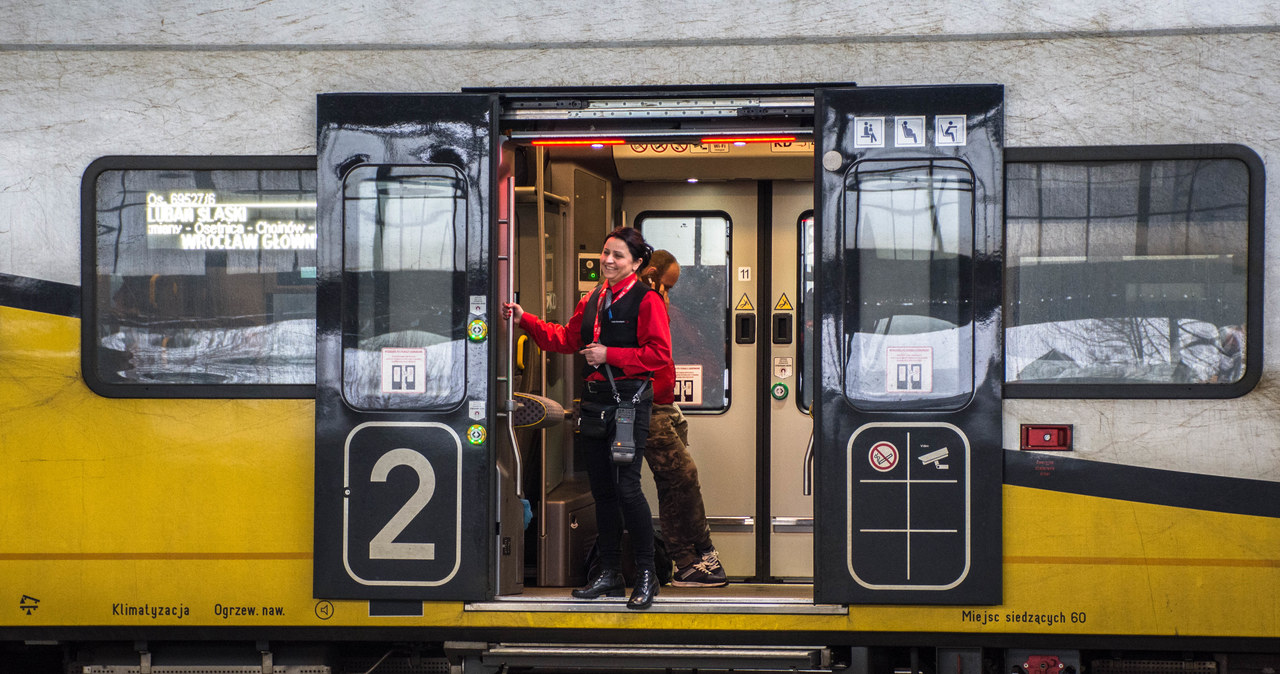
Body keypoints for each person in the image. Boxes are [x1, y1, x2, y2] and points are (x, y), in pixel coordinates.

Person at [503, 226, 670, 610]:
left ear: (637, 263)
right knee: (603, 492)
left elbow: (659, 355)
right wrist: (524, 318)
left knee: (628, 488)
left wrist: (610, 355)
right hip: (595, 404)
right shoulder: (593, 297)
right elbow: (565, 339)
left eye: (618, 256)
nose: (608, 260)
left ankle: (647, 574)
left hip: (629, 403)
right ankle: (609, 574)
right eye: (606, 252)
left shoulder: (647, 301)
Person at [639, 251, 728, 587]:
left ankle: (688, 562)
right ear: (650, 275)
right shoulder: (644, 306)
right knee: (683, 475)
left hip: (664, 406)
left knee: (673, 483)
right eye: (667, 286)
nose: (669, 294)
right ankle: (699, 552)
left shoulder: (659, 307)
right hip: (648, 408)